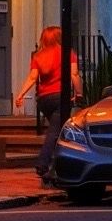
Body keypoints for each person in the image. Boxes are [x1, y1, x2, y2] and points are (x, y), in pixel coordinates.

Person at [14, 26, 82, 183]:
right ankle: (43, 163)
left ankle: (57, 165)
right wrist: (79, 93)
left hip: (44, 99)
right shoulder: (67, 53)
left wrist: (20, 94)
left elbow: (32, 78)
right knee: (54, 133)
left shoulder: (38, 56)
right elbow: (74, 74)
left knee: (57, 131)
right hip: (60, 97)